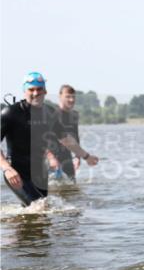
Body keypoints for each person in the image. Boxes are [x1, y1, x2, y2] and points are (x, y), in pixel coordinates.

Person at [1, 73, 97, 206]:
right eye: (31, 89)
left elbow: (66, 139)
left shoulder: (50, 113)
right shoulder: (10, 113)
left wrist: (86, 156)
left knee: (38, 212)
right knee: (40, 206)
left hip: (40, 173)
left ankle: (15, 222)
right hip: (16, 173)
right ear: (25, 90)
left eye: (39, 89)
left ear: (45, 90)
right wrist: (6, 168)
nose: (35, 93)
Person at [46, 84, 96, 182]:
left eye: (73, 97)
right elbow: (42, 138)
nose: (71, 100)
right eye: (68, 97)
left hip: (67, 157)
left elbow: (75, 136)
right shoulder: (52, 114)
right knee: (51, 190)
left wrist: (77, 157)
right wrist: (51, 157)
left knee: (72, 189)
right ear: (60, 96)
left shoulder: (74, 115)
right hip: (51, 157)